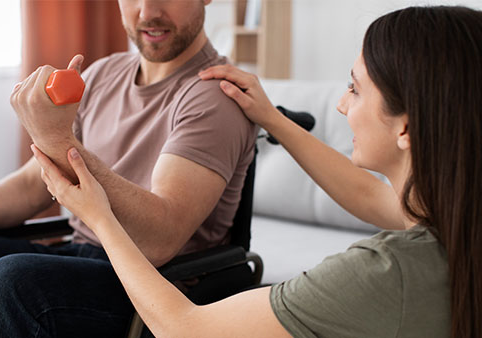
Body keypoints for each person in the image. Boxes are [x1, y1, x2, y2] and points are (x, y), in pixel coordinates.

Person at [32, 5, 481, 338]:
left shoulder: (387, 272)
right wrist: (271, 117)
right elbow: (374, 197)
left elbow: (185, 329)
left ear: (405, 127)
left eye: (354, 88)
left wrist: (100, 215)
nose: (342, 104)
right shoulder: (454, 224)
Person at [0, 0, 256, 336]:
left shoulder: (215, 96)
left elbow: (160, 240)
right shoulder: (104, 73)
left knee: (11, 282)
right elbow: (31, 185)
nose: (147, 12)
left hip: (153, 284)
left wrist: (60, 141)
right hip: (82, 256)